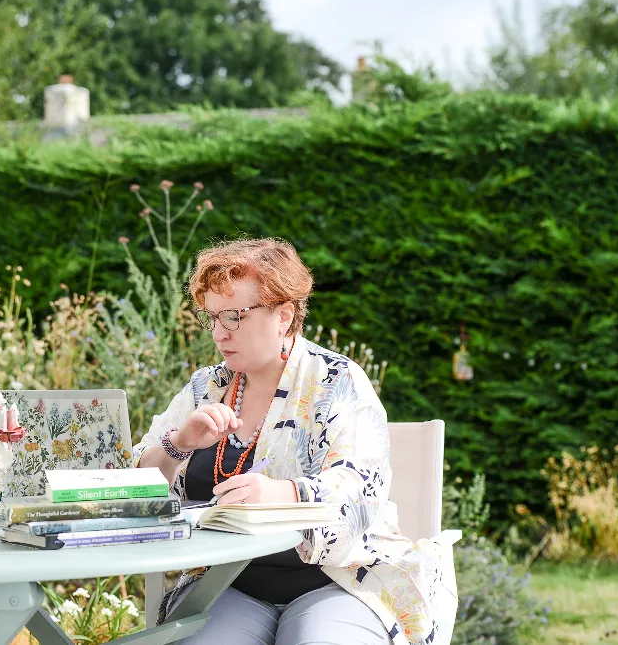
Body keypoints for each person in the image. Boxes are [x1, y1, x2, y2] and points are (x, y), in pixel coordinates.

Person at [134, 238, 448, 645]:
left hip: (338, 583)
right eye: (211, 317)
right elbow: (132, 488)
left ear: (283, 315)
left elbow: (358, 491)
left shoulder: (337, 383)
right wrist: (180, 442)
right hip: (227, 586)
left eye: (234, 316)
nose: (218, 333)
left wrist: (283, 492)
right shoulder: (206, 388)